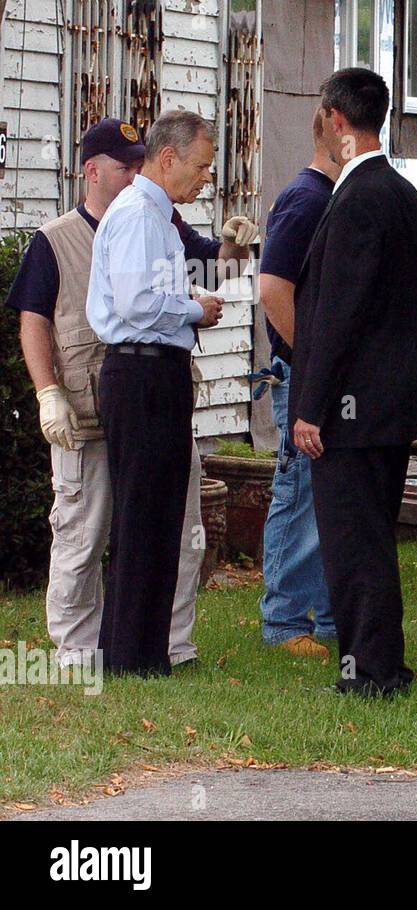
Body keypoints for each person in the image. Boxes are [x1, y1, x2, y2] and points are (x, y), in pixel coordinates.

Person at [5, 117, 254, 670]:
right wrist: (47, 393)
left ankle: (159, 646)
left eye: (139, 160)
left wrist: (238, 245)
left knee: (170, 522)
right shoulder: (63, 238)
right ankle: (79, 653)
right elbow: (38, 320)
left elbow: (214, 265)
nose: (134, 170)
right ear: (92, 170)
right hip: (97, 397)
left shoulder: (163, 218)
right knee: (86, 529)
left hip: (144, 381)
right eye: (125, 164)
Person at [290, 68, 417, 696]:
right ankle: (381, 662)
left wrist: (312, 405)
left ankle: (370, 673)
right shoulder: (406, 196)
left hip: (351, 407)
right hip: (391, 398)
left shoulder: (355, 201)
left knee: (354, 544)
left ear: (335, 120)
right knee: (373, 533)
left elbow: (337, 314)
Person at [86, 110, 239, 675]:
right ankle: (127, 655)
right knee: (140, 514)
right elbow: (132, 305)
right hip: (139, 373)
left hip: (158, 370)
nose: (205, 178)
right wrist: (193, 308)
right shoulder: (137, 217)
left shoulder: (159, 217)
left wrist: (190, 301)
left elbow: (150, 295)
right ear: (168, 158)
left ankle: (146, 652)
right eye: (200, 166)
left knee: (160, 515)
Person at [256, 109, 341, 658]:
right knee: (299, 493)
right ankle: (284, 620)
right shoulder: (306, 199)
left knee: (325, 495)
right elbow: (271, 287)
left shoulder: (330, 197)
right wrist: (309, 360)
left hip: (320, 377)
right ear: (334, 132)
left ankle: (329, 619)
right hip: (297, 375)